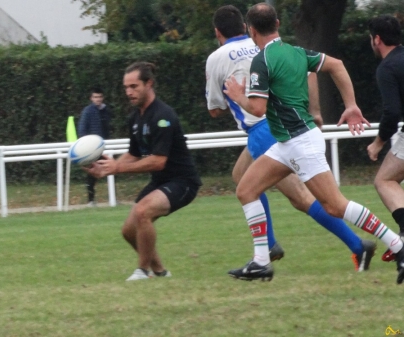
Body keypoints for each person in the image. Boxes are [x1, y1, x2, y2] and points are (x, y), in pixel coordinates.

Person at [223, 3, 404, 284]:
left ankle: (398, 244)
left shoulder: (263, 60)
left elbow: (257, 109)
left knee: (335, 205)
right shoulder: (296, 52)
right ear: (278, 24)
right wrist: (351, 104)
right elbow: (337, 65)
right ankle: (261, 262)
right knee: (246, 189)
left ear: (251, 30)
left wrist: (237, 96)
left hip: (299, 143)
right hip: (289, 142)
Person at [84, 62, 202, 281]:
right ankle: (160, 272)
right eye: (126, 87)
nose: (129, 92)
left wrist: (118, 168)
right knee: (129, 231)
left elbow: (158, 161)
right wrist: (107, 167)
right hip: (160, 181)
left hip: (182, 182)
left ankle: (142, 271)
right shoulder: (135, 118)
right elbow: (134, 153)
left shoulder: (163, 116)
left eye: (134, 86)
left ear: (149, 84)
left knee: (142, 213)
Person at [366, 15, 404, 262]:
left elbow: (392, 113)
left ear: (377, 39)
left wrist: (378, 143)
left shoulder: (387, 68)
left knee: (385, 180)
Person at [78, 87, 113, 206]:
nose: (98, 99)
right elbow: (82, 129)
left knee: (111, 169)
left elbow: (107, 128)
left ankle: (112, 198)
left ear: (102, 98)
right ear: (91, 98)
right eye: (95, 97)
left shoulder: (105, 110)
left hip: (104, 145)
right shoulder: (87, 111)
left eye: (99, 97)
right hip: (92, 147)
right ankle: (90, 200)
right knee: (91, 174)